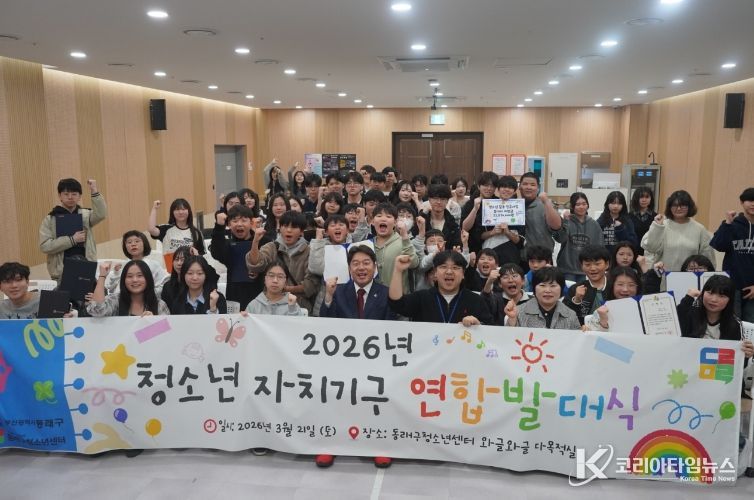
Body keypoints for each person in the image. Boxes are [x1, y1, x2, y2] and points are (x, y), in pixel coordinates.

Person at [389, 252, 493, 325]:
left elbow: (491, 329)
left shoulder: (476, 300)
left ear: (463, 274)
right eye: (443, 267)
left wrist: (478, 325)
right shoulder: (422, 297)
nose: (449, 272)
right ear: (435, 273)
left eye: (455, 268)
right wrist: (398, 270)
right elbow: (397, 304)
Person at [247, 211, 321, 314]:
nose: (289, 230)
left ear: (301, 231)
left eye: (294, 227)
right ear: (280, 228)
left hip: (299, 306)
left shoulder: (309, 251)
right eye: (285, 226)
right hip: (269, 306)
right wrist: (255, 242)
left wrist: (284, 289)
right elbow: (255, 265)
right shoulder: (271, 247)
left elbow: (311, 285)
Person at [39, 178, 107, 282]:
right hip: (61, 272)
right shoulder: (50, 219)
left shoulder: (85, 215)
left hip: (86, 267)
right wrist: (72, 240)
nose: (70, 197)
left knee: (91, 292)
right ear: (60, 196)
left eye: (74, 194)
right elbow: (45, 246)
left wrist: (94, 190)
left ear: (79, 196)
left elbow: (101, 214)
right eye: (66, 194)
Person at [641, 190, 715, 272]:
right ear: (670, 207)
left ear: (689, 207)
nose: (678, 208)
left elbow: (708, 259)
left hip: (690, 276)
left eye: (682, 205)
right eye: (675, 205)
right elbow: (650, 247)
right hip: (663, 275)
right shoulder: (661, 225)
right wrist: (657, 227)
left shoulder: (699, 229)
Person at [210, 205, 267, 309]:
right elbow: (216, 253)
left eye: (244, 220)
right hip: (235, 296)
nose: (239, 224)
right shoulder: (228, 245)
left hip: (260, 295)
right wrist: (219, 227)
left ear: (251, 223)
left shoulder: (263, 241)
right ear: (229, 224)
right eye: (235, 221)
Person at [710, 187, 754, 322]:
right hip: (732, 286)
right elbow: (718, 245)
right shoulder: (732, 224)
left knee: (751, 326)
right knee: (732, 324)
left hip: (753, 288)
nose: (753, 204)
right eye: (750, 200)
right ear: (741, 202)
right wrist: (728, 223)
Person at [320, 245, 394, 320]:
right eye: (356, 264)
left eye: (366, 263)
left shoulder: (386, 294)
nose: (361, 268)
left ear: (374, 267)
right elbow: (325, 321)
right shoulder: (338, 292)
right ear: (349, 269)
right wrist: (329, 296)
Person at [504, 267, 580, 330]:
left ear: (561, 289)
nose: (547, 290)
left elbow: (577, 340)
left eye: (553, 286)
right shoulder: (518, 312)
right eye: (542, 285)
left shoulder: (571, 315)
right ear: (534, 288)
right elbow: (509, 340)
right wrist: (512, 322)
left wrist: (583, 332)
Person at [87, 260, 170, 317]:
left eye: (140, 275)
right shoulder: (115, 300)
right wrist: (102, 276)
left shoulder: (159, 305)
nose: (135, 280)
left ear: (148, 278)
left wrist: (154, 323)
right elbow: (97, 310)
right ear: (123, 280)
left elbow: (167, 332)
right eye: (129, 276)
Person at [307, 214, 352, 315]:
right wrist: (318, 239)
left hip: (350, 297)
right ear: (326, 232)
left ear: (348, 230)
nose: (337, 227)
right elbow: (315, 268)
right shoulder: (321, 246)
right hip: (325, 296)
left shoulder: (354, 246)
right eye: (332, 225)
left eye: (341, 225)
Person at [371, 203, 419, 293]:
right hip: (374, 298)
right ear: (372, 221)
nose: (383, 219)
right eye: (379, 216)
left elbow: (414, 263)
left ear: (395, 222)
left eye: (388, 216)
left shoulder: (403, 242)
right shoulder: (368, 244)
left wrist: (405, 237)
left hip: (399, 296)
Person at [556, 192, 604, 282]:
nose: (581, 207)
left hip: (586, 269)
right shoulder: (567, 221)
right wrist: (565, 221)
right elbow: (560, 239)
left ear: (588, 205)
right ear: (572, 206)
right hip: (566, 269)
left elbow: (600, 247)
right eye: (578, 204)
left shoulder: (594, 224)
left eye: (584, 204)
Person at [147, 198, 205, 271]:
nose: (180, 212)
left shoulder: (196, 232)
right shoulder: (166, 229)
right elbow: (151, 229)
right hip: (170, 272)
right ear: (172, 212)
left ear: (189, 211)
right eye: (177, 209)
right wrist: (154, 208)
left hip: (189, 272)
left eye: (183, 209)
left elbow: (202, 256)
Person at [480, 175, 525, 268]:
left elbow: (520, 241)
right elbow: (480, 235)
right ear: (498, 189)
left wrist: (508, 232)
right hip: (490, 252)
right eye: (504, 186)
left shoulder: (519, 208)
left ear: (514, 191)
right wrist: (492, 232)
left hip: (511, 255)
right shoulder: (488, 206)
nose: (506, 189)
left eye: (510, 187)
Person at [104, 231, 169, 294]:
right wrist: (116, 273)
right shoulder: (124, 266)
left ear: (144, 244)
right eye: (129, 242)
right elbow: (113, 290)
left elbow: (163, 284)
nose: (133, 244)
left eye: (137, 241)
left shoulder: (153, 265)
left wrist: (148, 294)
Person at [518, 172, 565, 256]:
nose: (528, 187)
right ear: (519, 187)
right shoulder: (513, 206)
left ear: (538, 188)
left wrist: (547, 202)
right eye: (525, 184)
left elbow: (558, 229)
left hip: (542, 258)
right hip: (519, 258)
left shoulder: (545, 205)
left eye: (532, 185)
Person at [584, 266, 644, 332]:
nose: (625, 289)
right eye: (620, 284)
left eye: (631, 285)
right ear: (612, 285)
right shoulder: (601, 311)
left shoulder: (645, 308)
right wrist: (603, 322)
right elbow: (594, 336)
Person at [563, 245, 611, 325]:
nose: (592, 268)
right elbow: (565, 318)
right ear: (581, 266)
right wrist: (576, 300)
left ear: (607, 264)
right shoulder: (575, 289)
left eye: (597, 264)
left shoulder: (615, 287)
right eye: (587, 265)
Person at [461, 171, 498, 254]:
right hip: (474, 248)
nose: (489, 188)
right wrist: (475, 209)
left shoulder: (498, 202)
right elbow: (465, 228)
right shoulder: (470, 203)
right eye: (486, 185)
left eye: (492, 186)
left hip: (495, 247)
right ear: (478, 186)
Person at [419, 184, 461, 249]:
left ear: (447, 201)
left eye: (442, 199)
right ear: (429, 199)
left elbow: (456, 245)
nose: (439, 202)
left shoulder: (453, 224)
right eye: (435, 198)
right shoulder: (422, 220)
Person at [628, 187, 656, 255]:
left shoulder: (656, 217)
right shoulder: (628, 216)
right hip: (632, 251)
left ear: (651, 199)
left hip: (650, 252)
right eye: (641, 197)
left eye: (647, 197)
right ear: (636, 198)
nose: (644, 200)